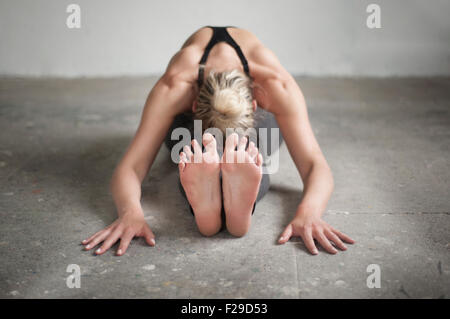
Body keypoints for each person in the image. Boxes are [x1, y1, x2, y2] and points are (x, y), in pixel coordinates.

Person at [81, 26, 354, 256]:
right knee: (199, 156)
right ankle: (216, 203)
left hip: (247, 123)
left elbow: (313, 164)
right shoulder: (176, 85)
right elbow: (132, 166)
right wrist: (130, 213)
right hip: (192, 124)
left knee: (246, 152)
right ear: (193, 105)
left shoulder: (275, 84)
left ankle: (220, 206)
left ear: (256, 103)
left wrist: (310, 212)